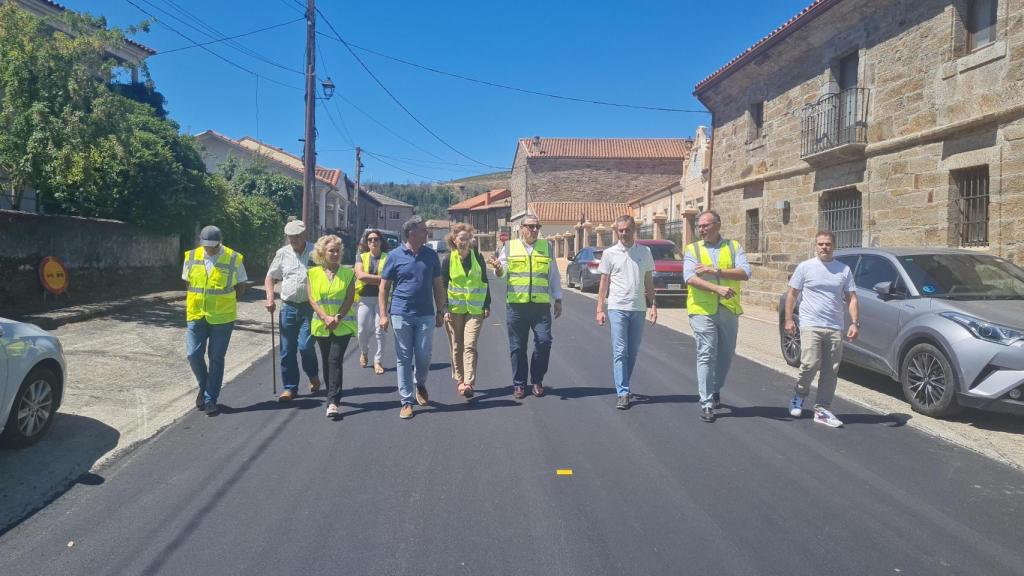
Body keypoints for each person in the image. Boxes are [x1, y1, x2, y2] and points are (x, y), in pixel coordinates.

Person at [784, 230, 859, 428]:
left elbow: (851, 297)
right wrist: (788, 319)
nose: (824, 247)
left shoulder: (843, 270)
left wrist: (854, 322)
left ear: (834, 246)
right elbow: (792, 294)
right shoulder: (805, 267)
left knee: (831, 369)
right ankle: (799, 395)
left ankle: (822, 409)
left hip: (834, 326)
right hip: (810, 324)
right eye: (820, 244)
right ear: (815, 246)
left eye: (827, 244)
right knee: (810, 363)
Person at [684, 210, 751, 423]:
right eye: (699, 226)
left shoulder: (734, 247)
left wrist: (715, 271)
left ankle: (715, 389)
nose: (701, 229)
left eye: (705, 225)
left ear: (717, 225)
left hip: (728, 309)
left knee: (726, 355)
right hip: (701, 310)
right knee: (706, 353)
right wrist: (716, 288)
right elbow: (689, 277)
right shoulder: (692, 249)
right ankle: (706, 403)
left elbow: (745, 273)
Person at [378, 216, 445, 420]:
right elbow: (384, 287)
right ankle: (406, 401)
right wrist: (383, 314)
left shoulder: (431, 255)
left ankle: (420, 383)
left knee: (424, 357)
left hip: (425, 315)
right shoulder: (394, 256)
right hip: (400, 314)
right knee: (404, 358)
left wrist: (440, 311)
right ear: (411, 233)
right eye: (424, 230)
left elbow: (438, 285)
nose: (427, 233)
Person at [490, 213, 562, 400]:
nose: (535, 230)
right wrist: (498, 268)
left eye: (537, 226)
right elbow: (502, 271)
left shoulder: (547, 247)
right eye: (531, 226)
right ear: (522, 228)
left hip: (540, 306)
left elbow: (553, 274)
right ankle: (519, 384)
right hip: (517, 306)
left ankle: (537, 380)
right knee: (517, 347)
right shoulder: (510, 247)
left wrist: (558, 298)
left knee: (544, 342)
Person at [183, 225, 247, 416]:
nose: (210, 249)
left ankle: (211, 399)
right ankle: (204, 387)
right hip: (196, 314)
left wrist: (224, 302)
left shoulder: (234, 258)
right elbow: (188, 283)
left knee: (216, 359)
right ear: (200, 241)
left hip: (222, 318)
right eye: (207, 245)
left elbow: (241, 286)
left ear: (221, 241)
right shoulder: (191, 256)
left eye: (213, 245)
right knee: (193, 355)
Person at [595, 215, 657, 410]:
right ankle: (622, 392)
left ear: (634, 230)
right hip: (617, 308)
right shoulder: (610, 253)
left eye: (627, 230)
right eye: (620, 230)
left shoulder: (645, 252)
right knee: (620, 351)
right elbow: (604, 282)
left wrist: (653, 305)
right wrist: (599, 308)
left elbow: (648, 281)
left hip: (638, 308)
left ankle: (625, 386)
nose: (623, 233)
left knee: (633, 352)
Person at [264, 219, 322, 402]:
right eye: (290, 237)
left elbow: (328, 275)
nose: (293, 240)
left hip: (310, 308)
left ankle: (312, 374)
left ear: (303, 235)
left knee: (305, 346)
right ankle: (290, 388)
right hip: (288, 307)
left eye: (296, 237)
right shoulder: (282, 254)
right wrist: (270, 298)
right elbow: (270, 277)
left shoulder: (316, 252)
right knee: (287, 350)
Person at [307, 235, 357, 420]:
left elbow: (349, 298)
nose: (335, 254)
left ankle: (333, 401)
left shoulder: (348, 274)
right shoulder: (312, 273)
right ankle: (331, 395)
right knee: (327, 361)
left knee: (335, 360)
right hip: (322, 324)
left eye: (337, 251)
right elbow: (312, 298)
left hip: (342, 324)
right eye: (331, 251)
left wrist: (337, 317)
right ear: (322, 253)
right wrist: (324, 317)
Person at [441, 223, 492, 398]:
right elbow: (442, 286)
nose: (463, 242)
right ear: (454, 240)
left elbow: (484, 281)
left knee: (469, 345)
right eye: (460, 239)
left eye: (466, 239)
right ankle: (460, 380)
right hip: (454, 310)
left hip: (475, 309)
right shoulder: (448, 260)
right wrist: (444, 308)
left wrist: (487, 304)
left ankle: (469, 383)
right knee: (457, 345)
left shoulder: (477, 257)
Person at [354, 229, 389, 375]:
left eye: (375, 239)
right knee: (362, 330)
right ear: (367, 243)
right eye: (370, 240)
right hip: (364, 299)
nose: (373, 242)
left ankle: (377, 360)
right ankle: (364, 351)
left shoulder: (388, 257)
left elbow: (391, 277)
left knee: (380, 330)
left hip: (382, 300)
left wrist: (371, 278)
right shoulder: (361, 257)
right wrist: (382, 279)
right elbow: (360, 276)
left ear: (381, 241)